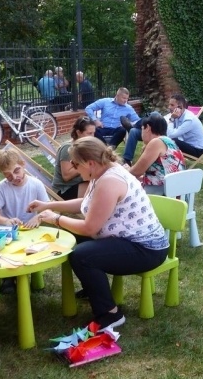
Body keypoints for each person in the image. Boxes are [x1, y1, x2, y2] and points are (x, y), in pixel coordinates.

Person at [28, 137, 169, 331]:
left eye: (75, 164)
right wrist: (49, 205)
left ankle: (111, 314)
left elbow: (89, 228)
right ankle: (93, 286)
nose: (74, 168)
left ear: (90, 163)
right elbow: (85, 204)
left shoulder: (109, 181)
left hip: (147, 249)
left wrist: (55, 219)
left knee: (82, 256)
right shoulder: (100, 173)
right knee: (74, 237)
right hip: (130, 241)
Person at [126, 114, 186, 195]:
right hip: (176, 192)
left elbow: (136, 172)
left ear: (147, 127)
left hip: (163, 195)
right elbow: (158, 174)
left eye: (142, 129)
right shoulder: (169, 142)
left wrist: (124, 170)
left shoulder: (156, 142)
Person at [0, 150, 48, 228]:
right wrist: (6, 221)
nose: (14, 177)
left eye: (16, 171)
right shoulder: (0, 188)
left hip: (29, 227)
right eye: (8, 175)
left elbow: (48, 208)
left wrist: (39, 217)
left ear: (23, 164)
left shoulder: (36, 184)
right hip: (7, 230)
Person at [54, 116, 96, 200]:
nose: (93, 137)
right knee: (100, 191)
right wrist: (86, 165)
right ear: (78, 132)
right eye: (89, 133)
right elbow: (66, 176)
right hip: (65, 189)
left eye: (94, 133)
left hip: (81, 183)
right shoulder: (68, 148)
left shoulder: (85, 146)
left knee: (105, 183)